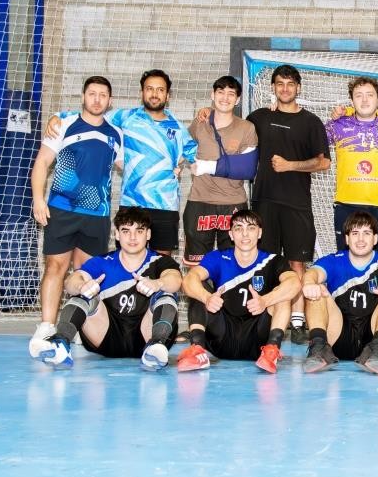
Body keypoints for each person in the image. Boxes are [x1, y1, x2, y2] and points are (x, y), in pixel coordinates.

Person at [46, 69, 197, 255]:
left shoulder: (178, 127)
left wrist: (176, 164)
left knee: (161, 263)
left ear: (168, 95)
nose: (155, 94)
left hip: (165, 205)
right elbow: (91, 115)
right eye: (149, 89)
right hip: (131, 203)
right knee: (126, 262)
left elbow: (193, 153)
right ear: (142, 92)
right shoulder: (125, 117)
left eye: (160, 90)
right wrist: (58, 116)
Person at [29, 76, 123, 359]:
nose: (97, 99)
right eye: (92, 93)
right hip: (62, 209)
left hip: (97, 216)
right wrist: (37, 199)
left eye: (102, 95)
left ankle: (78, 327)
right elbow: (42, 163)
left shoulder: (117, 134)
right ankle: (46, 326)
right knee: (55, 267)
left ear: (109, 100)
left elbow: (126, 165)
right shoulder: (64, 124)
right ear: (83, 97)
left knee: (87, 273)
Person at [31, 207, 182, 370]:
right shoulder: (103, 261)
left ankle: (156, 347)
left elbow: (175, 279)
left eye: (139, 231)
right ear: (117, 234)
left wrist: (157, 283)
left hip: (146, 336)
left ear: (148, 234)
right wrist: (82, 285)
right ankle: (60, 344)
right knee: (83, 295)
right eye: (125, 231)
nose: (132, 237)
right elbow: (71, 281)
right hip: (105, 336)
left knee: (166, 293)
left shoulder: (160, 261)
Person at [245, 65, 331, 344]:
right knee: (266, 262)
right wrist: (206, 114)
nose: (285, 88)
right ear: (273, 87)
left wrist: (290, 165)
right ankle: (268, 316)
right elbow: (232, 132)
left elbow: (323, 162)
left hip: (296, 204)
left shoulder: (311, 122)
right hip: (263, 201)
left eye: (290, 84)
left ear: (298, 87)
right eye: (280, 83)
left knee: (296, 262)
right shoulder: (258, 117)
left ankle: (296, 320)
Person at [178, 209, 302, 373]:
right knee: (198, 289)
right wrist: (207, 297)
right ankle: (197, 350)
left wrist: (266, 300)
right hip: (222, 336)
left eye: (250, 228)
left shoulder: (273, 260)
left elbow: (294, 284)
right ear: (231, 234)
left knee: (283, 293)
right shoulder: (218, 257)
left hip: (257, 341)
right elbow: (188, 280)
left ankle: (272, 350)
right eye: (238, 228)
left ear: (260, 233)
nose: (245, 234)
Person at [298, 211, 378, 375]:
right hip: (338, 337)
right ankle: (319, 347)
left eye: (367, 233)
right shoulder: (334, 260)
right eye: (355, 233)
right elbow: (313, 273)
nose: (361, 239)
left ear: (375, 238)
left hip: (375, 335)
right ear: (347, 239)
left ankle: (376, 350)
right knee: (317, 290)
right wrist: (308, 283)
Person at [183, 75, 258, 267]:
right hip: (200, 200)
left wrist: (207, 166)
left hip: (233, 203)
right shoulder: (200, 121)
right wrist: (180, 164)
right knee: (196, 266)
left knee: (233, 264)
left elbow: (248, 169)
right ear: (212, 95)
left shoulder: (247, 128)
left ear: (238, 99)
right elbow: (183, 145)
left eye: (231, 94)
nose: (225, 97)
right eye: (220, 92)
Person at [326, 77, 378, 254]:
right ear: (351, 101)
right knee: (344, 260)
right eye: (359, 96)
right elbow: (310, 139)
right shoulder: (338, 124)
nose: (364, 100)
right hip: (346, 204)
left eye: (370, 95)